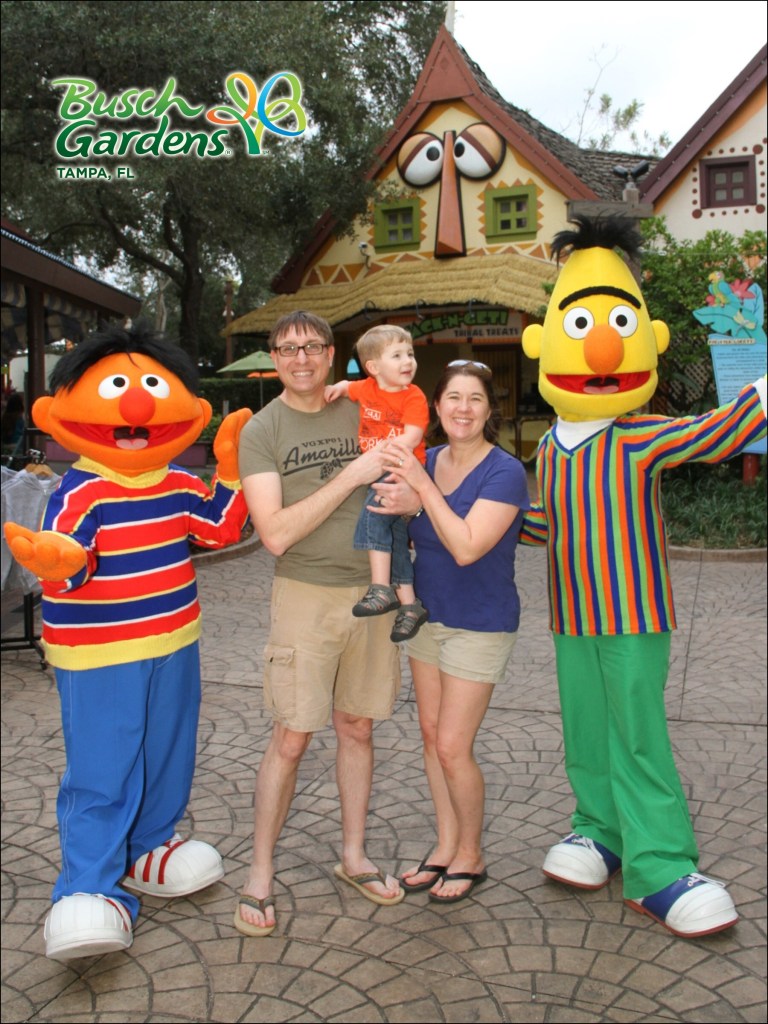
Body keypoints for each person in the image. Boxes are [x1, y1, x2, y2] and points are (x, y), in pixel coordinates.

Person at [519, 215, 767, 938]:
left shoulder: (638, 436)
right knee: (587, 731)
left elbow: (715, 432)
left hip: (633, 615)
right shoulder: (547, 453)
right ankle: (599, 830)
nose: (599, 345)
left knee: (638, 733)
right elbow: (542, 527)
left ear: (648, 340)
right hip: (571, 617)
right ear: (542, 345)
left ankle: (658, 863)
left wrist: (759, 392)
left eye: (619, 324)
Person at [4, 323, 251, 960]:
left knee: (168, 750)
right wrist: (59, 560)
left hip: (175, 639)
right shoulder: (80, 488)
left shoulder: (176, 481)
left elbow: (221, 530)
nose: (137, 406)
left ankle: (148, 847)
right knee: (103, 765)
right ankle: (86, 886)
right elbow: (74, 560)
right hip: (102, 652)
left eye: (150, 389)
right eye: (119, 389)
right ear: (53, 414)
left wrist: (229, 471)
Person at [235, 310, 404, 937]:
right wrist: (351, 476)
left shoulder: (359, 403)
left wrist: (408, 492)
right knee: (291, 737)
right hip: (304, 595)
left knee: (357, 727)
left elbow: (413, 434)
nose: (300, 359)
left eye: (312, 347)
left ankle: (353, 856)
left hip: (372, 591)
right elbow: (274, 534)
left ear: (333, 356)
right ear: (272, 359)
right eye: (287, 349)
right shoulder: (261, 430)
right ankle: (258, 873)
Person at [371, 360, 530, 903]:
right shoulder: (427, 457)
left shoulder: (504, 471)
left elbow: (466, 546)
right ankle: (444, 845)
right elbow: (389, 519)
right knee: (430, 740)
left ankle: (472, 854)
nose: (463, 409)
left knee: (453, 745)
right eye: (453, 398)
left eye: (475, 399)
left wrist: (419, 491)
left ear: (490, 410)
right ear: (435, 407)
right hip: (426, 617)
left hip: (479, 622)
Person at [324, 324, 429, 642]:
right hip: (382, 468)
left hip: (400, 468)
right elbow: (348, 387)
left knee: (372, 518)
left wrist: (385, 453)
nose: (407, 360)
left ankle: (381, 588)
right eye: (397, 355)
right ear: (373, 368)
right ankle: (410, 604)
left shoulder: (414, 396)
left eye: (409, 353)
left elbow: (413, 435)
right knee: (394, 536)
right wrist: (337, 388)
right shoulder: (367, 388)